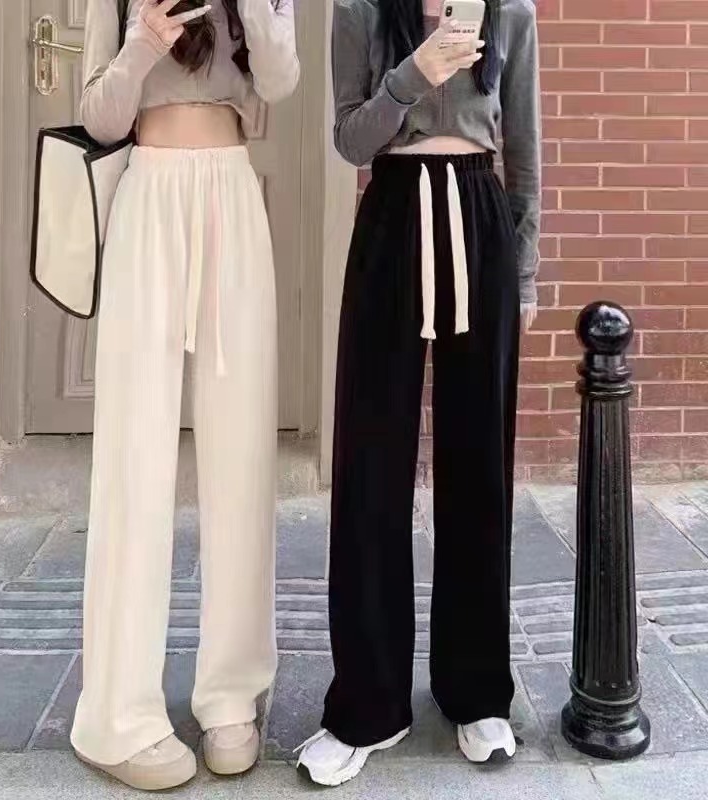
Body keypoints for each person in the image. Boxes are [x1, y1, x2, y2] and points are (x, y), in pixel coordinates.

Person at [296, 0, 540, 786]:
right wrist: (413, 75)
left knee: (478, 465)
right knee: (370, 465)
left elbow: (524, 150)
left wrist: (525, 274)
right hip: (393, 215)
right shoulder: (361, 10)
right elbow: (350, 140)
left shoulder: (511, 13)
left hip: (479, 219)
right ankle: (367, 705)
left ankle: (477, 693)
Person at [69, 0, 299, 791]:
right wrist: (140, 46)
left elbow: (281, 82)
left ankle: (231, 695)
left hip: (232, 193)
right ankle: (117, 714)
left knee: (241, 451)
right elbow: (99, 117)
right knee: (134, 453)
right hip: (150, 194)